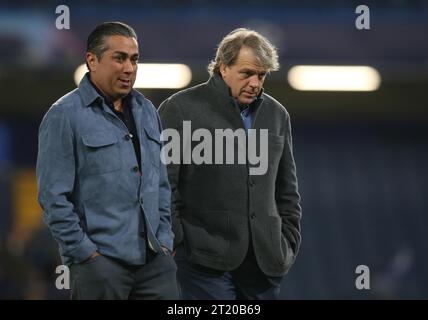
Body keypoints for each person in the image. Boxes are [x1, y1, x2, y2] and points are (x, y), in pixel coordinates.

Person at [36, 22, 178, 300]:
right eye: (119, 58)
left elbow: (160, 183)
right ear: (92, 60)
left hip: (155, 265)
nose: (129, 68)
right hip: (100, 265)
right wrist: (85, 253)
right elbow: (53, 196)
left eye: (134, 59)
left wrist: (164, 242)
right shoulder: (64, 115)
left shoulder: (147, 110)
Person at [158, 28, 302, 300]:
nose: (255, 83)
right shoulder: (180, 109)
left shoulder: (277, 114)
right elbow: (163, 184)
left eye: (261, 75)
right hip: (201, 262)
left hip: (264, 263)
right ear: (223, 68)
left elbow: (287, 191)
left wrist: (288, 242)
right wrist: (178, 242)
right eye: (247, 73)